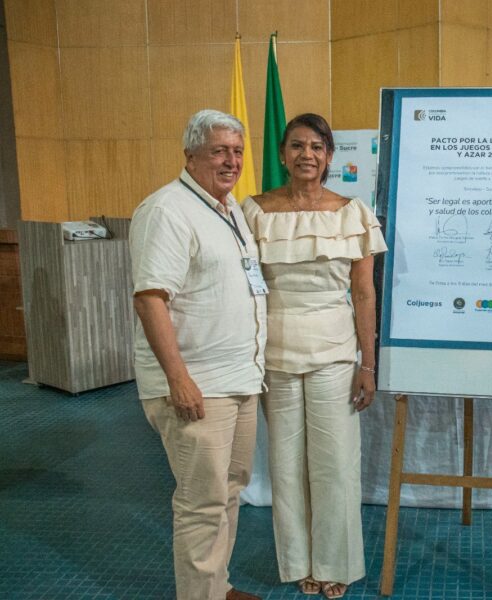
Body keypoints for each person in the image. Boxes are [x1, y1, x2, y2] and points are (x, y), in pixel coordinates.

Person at [242, 113, 387, 599]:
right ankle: (299, 562)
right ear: (282, 154)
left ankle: (334, 564)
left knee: (335, 463)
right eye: (297, 145)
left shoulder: (353, 212)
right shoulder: (254, 212)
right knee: (285, 465)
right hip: (273, 355)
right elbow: (243, 289)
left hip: (334, 354)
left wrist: (368, 364)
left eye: (317, 146)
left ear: (329, 156)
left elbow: (364, 295)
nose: (307, 154)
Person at [130, 110, 267, 600]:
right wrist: (178, 378)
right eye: (218, 151)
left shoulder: (228, 209)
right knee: (200, 503)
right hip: (197, 383)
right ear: (190, 155)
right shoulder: (167, 210)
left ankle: (217, 587)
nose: (231, 161)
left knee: (229, 492)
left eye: (237, 151)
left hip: (238, 379)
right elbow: (150, 298)